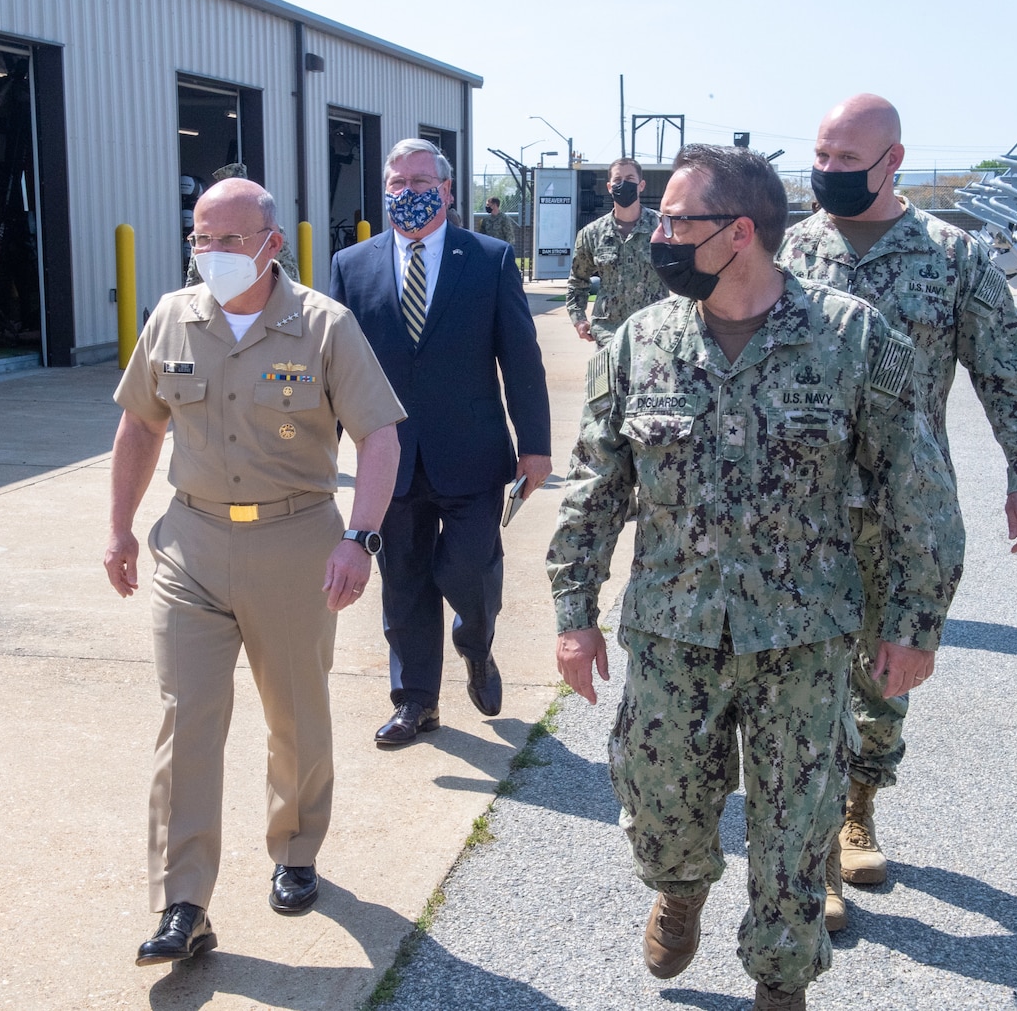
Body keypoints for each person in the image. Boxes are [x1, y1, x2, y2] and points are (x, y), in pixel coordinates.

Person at [548, 144, 964, 1011]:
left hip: (803, 641)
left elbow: (917, 487)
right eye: (656, 216)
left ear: (740, 233)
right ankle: (682, 883)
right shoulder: (640, 343)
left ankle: (781, 979)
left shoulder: (852, 339)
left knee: (796, 832)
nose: (656, 233)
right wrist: (574, 612)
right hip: (673, 633)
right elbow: (595, 486)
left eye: (675, 219)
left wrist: (915, 623)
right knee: (660, 807)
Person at [779, 94, 1017, 930]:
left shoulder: (953, 258)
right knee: (807, 677)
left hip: (908, 508)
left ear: (893, 160)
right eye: (820, 157)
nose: (828, 173)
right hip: (803, 507)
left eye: (846, 160)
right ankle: (817, 847)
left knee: (888, 672)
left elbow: (1007, 366)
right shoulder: (791, 248)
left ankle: (861, 802)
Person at [105, 178, 404, 966]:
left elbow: (379, 437)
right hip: (191, 544)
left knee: (296, 712)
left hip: (296, 543)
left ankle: (296, 848)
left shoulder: (324, 326)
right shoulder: (174, 316)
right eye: (200, 239)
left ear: (271, 243)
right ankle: (182, 901)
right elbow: (139, 425)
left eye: (228, 240)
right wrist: (119, 529)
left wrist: (361, 538)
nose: (210, 254)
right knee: (187, 715)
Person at [329, 138, 552, 746]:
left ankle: (476, 645)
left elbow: (521, 359)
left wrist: (535, 445)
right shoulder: (352, 266)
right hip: (389, 459)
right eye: (397, 183)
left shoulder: (490, 257)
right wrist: (323, 447)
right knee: (404, 581)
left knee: (472, 572)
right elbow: (335, 365)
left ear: (448, 190)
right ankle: (416, 702)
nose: (408, 192)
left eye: (421, 181)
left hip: (472, 452)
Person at [565, 157, 668, 347]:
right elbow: (577, 281)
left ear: (641, 185)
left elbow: (685, 276)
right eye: (618, 180)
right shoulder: (592, 233)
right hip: (609, 334)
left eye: (630, 178)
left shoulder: (663, 227)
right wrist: (578, 319)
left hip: (655, 332)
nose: (623, 184)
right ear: (609, 187)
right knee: (606, 379)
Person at [185, 163, 300, 285]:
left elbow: (287, 268)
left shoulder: (266, 229)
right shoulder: (206, 232)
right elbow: (195, 273)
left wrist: (290, 296)